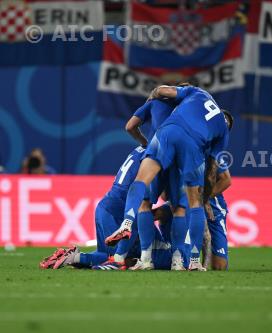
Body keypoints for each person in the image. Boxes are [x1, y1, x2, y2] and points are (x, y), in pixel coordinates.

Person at [105, 85, 231, 271]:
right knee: (190, 206)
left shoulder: (196, 92)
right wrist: (204, 197)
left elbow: (159, 90)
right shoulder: (222, 129)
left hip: (167, 133)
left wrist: (150, 101)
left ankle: (129, 226)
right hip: (192, 147)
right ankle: (191, 261)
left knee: (141, 183)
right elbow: (213, 171)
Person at [39, 146, 147, 270]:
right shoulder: (153, 154)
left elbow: (130, 127)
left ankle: (73, 256)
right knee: (119, 259)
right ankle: (73, 258)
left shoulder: (141, 147)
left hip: (105, 206)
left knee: (104, 254)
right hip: (118, 211)